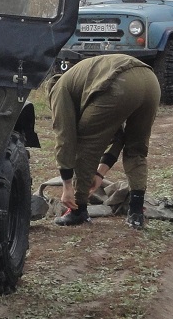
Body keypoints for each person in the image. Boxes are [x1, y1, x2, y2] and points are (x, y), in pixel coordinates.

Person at [47, 53, 161, 228]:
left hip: (120, 83)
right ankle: (136, 212)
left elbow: (65, 138)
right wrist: (100, 174)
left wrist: (67, 186)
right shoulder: (81, 80)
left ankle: (78, 210)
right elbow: (119, 136)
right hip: (150, 81)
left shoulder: (59, 89)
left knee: (86, 144)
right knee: (136, 149)